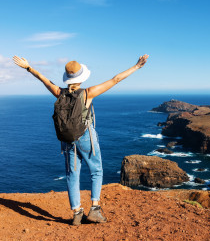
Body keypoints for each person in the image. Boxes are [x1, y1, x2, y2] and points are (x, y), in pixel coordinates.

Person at [12, 54, 149, 225]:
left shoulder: (59, 93)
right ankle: (95, 210)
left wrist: (28, 67)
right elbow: (116, 80)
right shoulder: (87, 93)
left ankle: (77, 212)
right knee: (96, 170)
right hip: (85, 136)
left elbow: (44, 80)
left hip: (68, 140)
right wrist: (136, 66)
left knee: (72, 174)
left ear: (68, 78)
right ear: (81, 76)